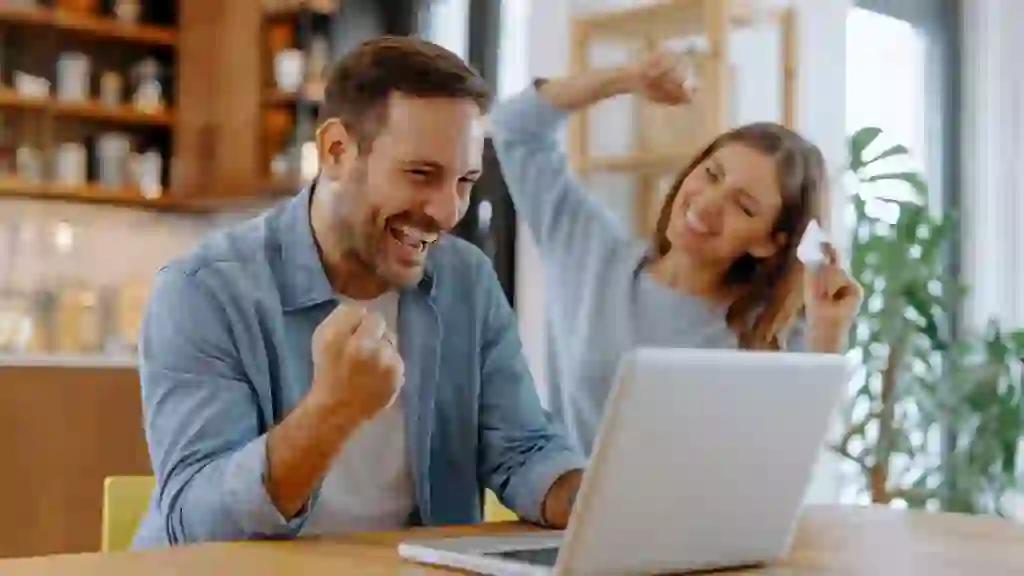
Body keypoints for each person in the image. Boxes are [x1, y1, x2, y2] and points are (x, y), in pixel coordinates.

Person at [131, 36, 585, 548]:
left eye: (464, 181)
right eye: (421, 174)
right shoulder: (204, 291)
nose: (446, 211)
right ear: (337, 152)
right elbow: (194, 523)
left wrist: (598, 499)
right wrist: (332, 410)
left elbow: (522, 449)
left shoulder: (467, 280)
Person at [488, 51, 864, 457]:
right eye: (712, 174)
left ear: (769, 242)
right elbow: (515, 127)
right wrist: (627, 78)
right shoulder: (590, 251)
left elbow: (793, 452)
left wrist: (828, 330)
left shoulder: (772, 334)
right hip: (572, 497)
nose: (707, 204)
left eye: (744, 206)